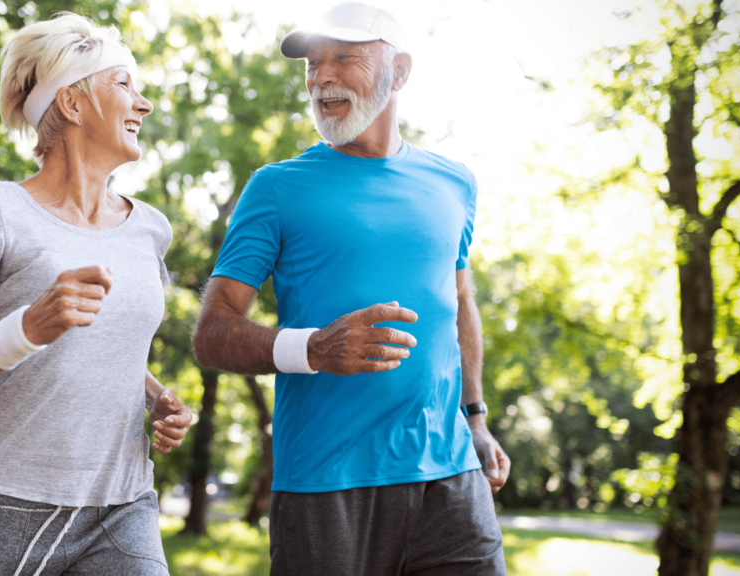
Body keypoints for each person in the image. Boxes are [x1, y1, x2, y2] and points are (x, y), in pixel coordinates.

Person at [192, 3, 510, 575]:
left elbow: (459, 302)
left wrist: (477, 419)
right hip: (325, 483)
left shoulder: (454, 182)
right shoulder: (276, 188)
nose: (321, 76)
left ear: (401, 71)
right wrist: (310, 349)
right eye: (313, 63)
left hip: (451, 476)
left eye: (345, 58)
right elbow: (212, 334)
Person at [0, 13, 191, 576]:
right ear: (72, 104)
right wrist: (26, 329)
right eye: (124, 84)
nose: (145, 104)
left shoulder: (150, 227)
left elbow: (108, 350)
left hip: (123, 502)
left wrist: (154, 396)